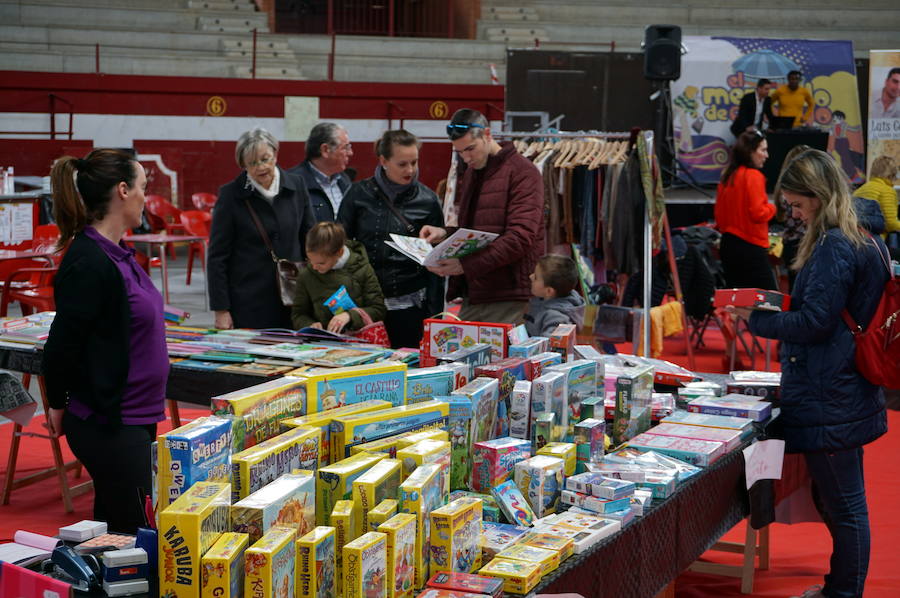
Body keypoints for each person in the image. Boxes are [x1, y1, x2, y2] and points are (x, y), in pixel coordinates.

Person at [745, 149, 888, 598]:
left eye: (797, 203)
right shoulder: (856, 235)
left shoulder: (835, 245)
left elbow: (815, 323)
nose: (794, 212)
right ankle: (840, 588)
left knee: (845, 506)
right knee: (841, 502)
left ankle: (844, 593)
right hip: (841, 387)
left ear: (818, 195)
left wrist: (758, 319)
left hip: (831, 391)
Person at [42, 149, 167, 533]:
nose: (147, 197)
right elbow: (62, 346)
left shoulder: (119, 255)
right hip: (110, 423)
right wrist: (59, 403)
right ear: (123, 190)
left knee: (116, 530)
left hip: (137, 417)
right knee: (135, 532)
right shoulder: (88, 262)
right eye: (144, 187)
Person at [419, 108, 544, 324]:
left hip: (509, 294)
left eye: (470, 149)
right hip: (476, 290)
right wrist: (444, 233)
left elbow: (520, 237)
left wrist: (464, 265)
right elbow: (477, 231)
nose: (466, 158)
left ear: (487, 135)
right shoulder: (472, 173)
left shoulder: (523, 172)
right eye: (459, 152)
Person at [338, 129, 444, 348]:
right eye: (402, 164)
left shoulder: (428, 200)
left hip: (411, 307)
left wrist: (435, 318)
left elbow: (436, 265)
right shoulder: (358, 193)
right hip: (365, 306)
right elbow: (340, 250)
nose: (410, 170)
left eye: (414, 162)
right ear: (383, 160)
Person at [208, 127, 312, 330]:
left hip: (294, 297)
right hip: (249, 301)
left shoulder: (297, 186)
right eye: (252, 163)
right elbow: (217, 257)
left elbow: (310, 237)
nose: (261, 167)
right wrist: (221, 309)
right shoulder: (231, 195)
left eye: (266, 159)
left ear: (276, 154)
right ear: (243, 166)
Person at [290, 222, 387, 333]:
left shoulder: (362, 269)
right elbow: (299, 314)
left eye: (321, 263)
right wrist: (309, 325)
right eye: (310, 260)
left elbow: (378, 309)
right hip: (322, 342)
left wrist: (350, 316)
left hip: (359, 342)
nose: (314, 267)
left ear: (339, 252)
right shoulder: (306, 275)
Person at [714, 129, 778, 290]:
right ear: (750, 152)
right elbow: (758, 213)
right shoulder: (753, 176)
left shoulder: (728, 175)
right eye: (763, 150)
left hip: (728, 245)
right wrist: (773, 208)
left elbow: (719, 217)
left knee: (737, 302)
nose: (767, 155)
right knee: (769, 300)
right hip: (751, 247)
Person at [290, 122, 353, 223]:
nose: (350, 153)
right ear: (325, 150)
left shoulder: (344, 180)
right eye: (345, 147)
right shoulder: (293, 183)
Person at [524, 254, 586, 337]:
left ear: (549, 291)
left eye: (535, 277)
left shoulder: (557, 318)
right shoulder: (543, 299)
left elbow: (550, 346)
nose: (530, 276)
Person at [853, 155, 900, 237]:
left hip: (856, 238)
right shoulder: (887, 190)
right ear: (892, 173)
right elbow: (891, 224)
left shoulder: (861, 189)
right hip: (875, 240)